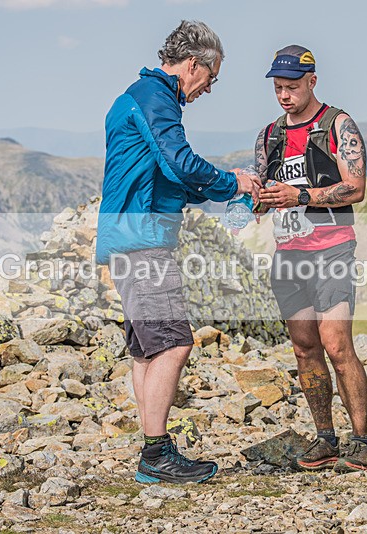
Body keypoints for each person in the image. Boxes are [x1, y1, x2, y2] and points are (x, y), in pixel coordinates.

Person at [96, 20, 261, 484]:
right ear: (194, 65)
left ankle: (153, 452)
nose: (210, 87)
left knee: (147, 350)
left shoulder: (142, 95)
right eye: (213, 77)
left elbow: (167, 177)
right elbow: (178, 161)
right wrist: (233, 184)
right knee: (174, 342)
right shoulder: (156, 99)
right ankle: (156, 454)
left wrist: (229, 191)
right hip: (142, 236)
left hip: (129, 233)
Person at [255, 45, 367, 472]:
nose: (284, 95)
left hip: (332, 250)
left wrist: (300, 195)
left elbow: (356, 187)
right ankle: (326, 438)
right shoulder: (269, 135)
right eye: (278, 88)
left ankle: (361, 440)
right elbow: (270, 193)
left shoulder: (338, 125)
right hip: (288, 254)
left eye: (292, 87)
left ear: (312, 81)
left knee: (337, 344)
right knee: (305, 349)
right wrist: (258, 202)